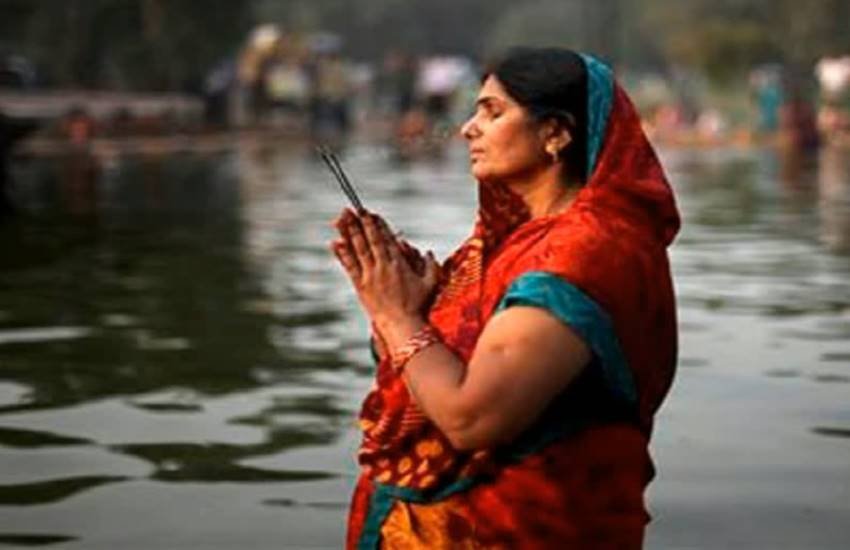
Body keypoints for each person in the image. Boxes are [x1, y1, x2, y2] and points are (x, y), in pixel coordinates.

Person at [330, 47, 680, 549]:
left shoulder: (586, 252)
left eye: (492, 112)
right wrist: (404, 306)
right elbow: (426, 368)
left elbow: (471, 418)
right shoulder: (509, 244)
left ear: (556, 133)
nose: (468, 128)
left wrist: (395, 314)